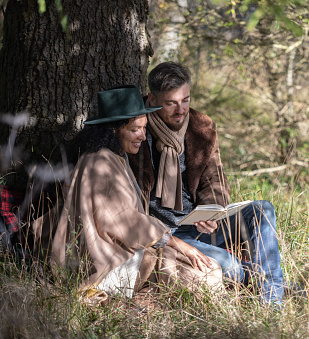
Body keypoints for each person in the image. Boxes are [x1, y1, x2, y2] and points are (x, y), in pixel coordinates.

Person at [32, 85, 223, 302]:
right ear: (113, 130)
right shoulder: (99, 162)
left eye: (144, 128)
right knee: (203, 274)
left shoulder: (114, 157)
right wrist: (179, 244)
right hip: (104, 260)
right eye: (135, 130)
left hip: (123, 250)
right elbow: (121, 220)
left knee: (207, 269)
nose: (142, 136)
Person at [128, 62, 285, 305]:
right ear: (152, 98)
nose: (181, 110)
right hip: (168, 234)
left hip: (198, 224)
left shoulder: (201, 126)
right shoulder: (136, 128)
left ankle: (272, 304)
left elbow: (214, 179)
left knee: (262, 209)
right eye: (171, 103)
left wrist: (211, 210)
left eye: (186, 100)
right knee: (230, 267)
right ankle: (264, 280)